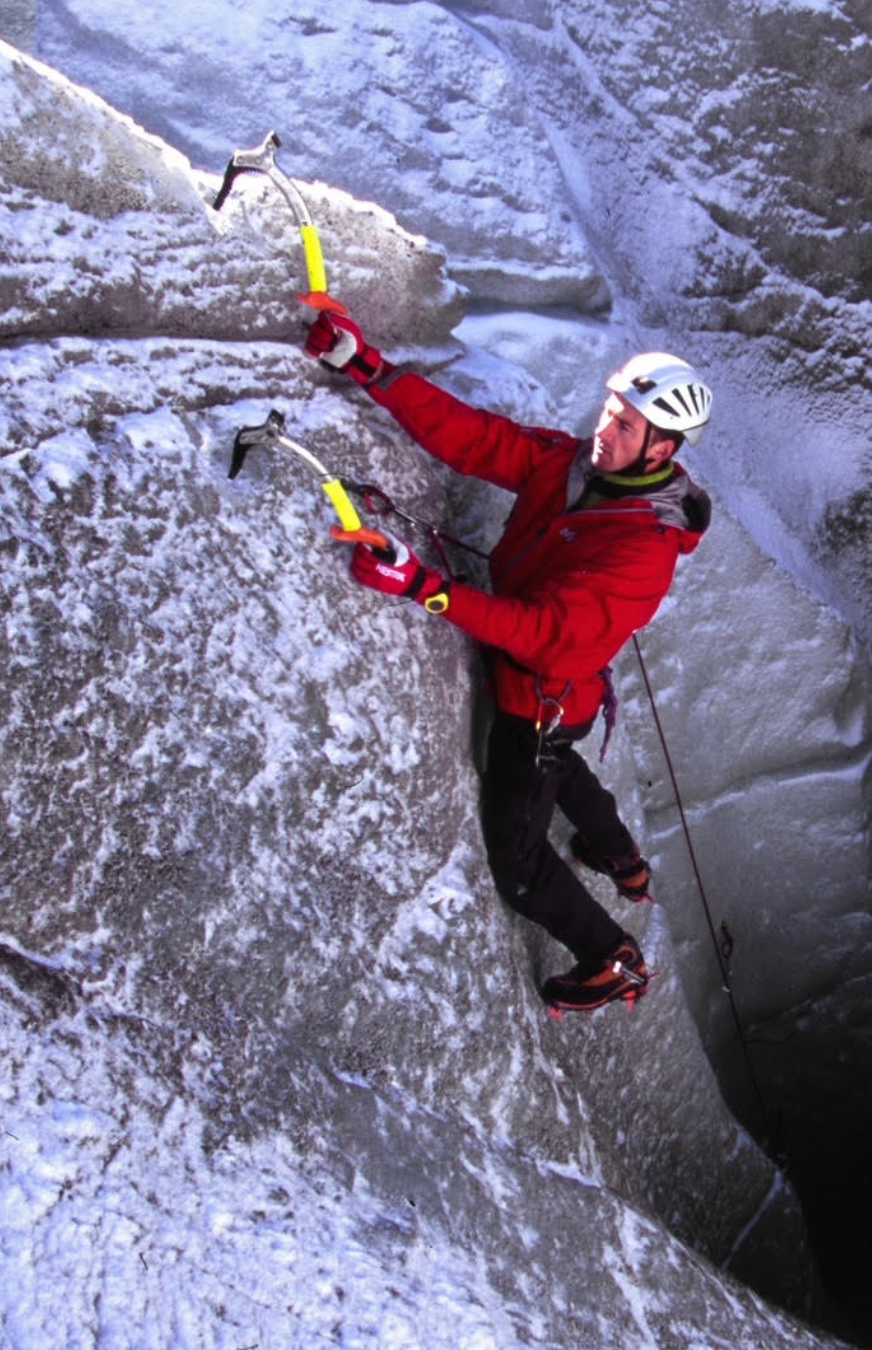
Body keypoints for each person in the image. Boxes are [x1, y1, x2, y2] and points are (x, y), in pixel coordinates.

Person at [304, 307, 713, 1014]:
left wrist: (425, 588)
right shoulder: (572, 466)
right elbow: (476, 440)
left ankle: (610, 956)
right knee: (568, 766)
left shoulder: (644, 552)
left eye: (624, 428)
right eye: (609, 414)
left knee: (520, 862)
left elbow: (545, 634)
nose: (602, 434)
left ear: (661, 451)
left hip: (539, 701)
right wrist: (368, 368)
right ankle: (623, 859)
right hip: (562, 700)